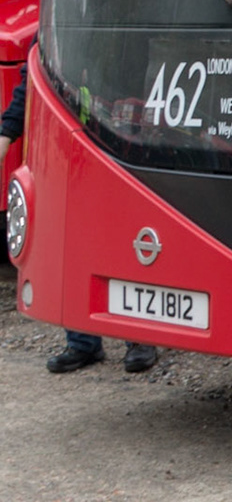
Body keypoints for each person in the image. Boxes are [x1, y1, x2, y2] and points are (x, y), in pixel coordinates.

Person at [0, 80, 158, 374]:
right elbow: (34, 76)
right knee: (73, 242)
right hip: (75, 145)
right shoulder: (57, 34)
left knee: (129, 240)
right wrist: (7, 132)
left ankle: (139, 338)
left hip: (125, 141)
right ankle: (82, 341)